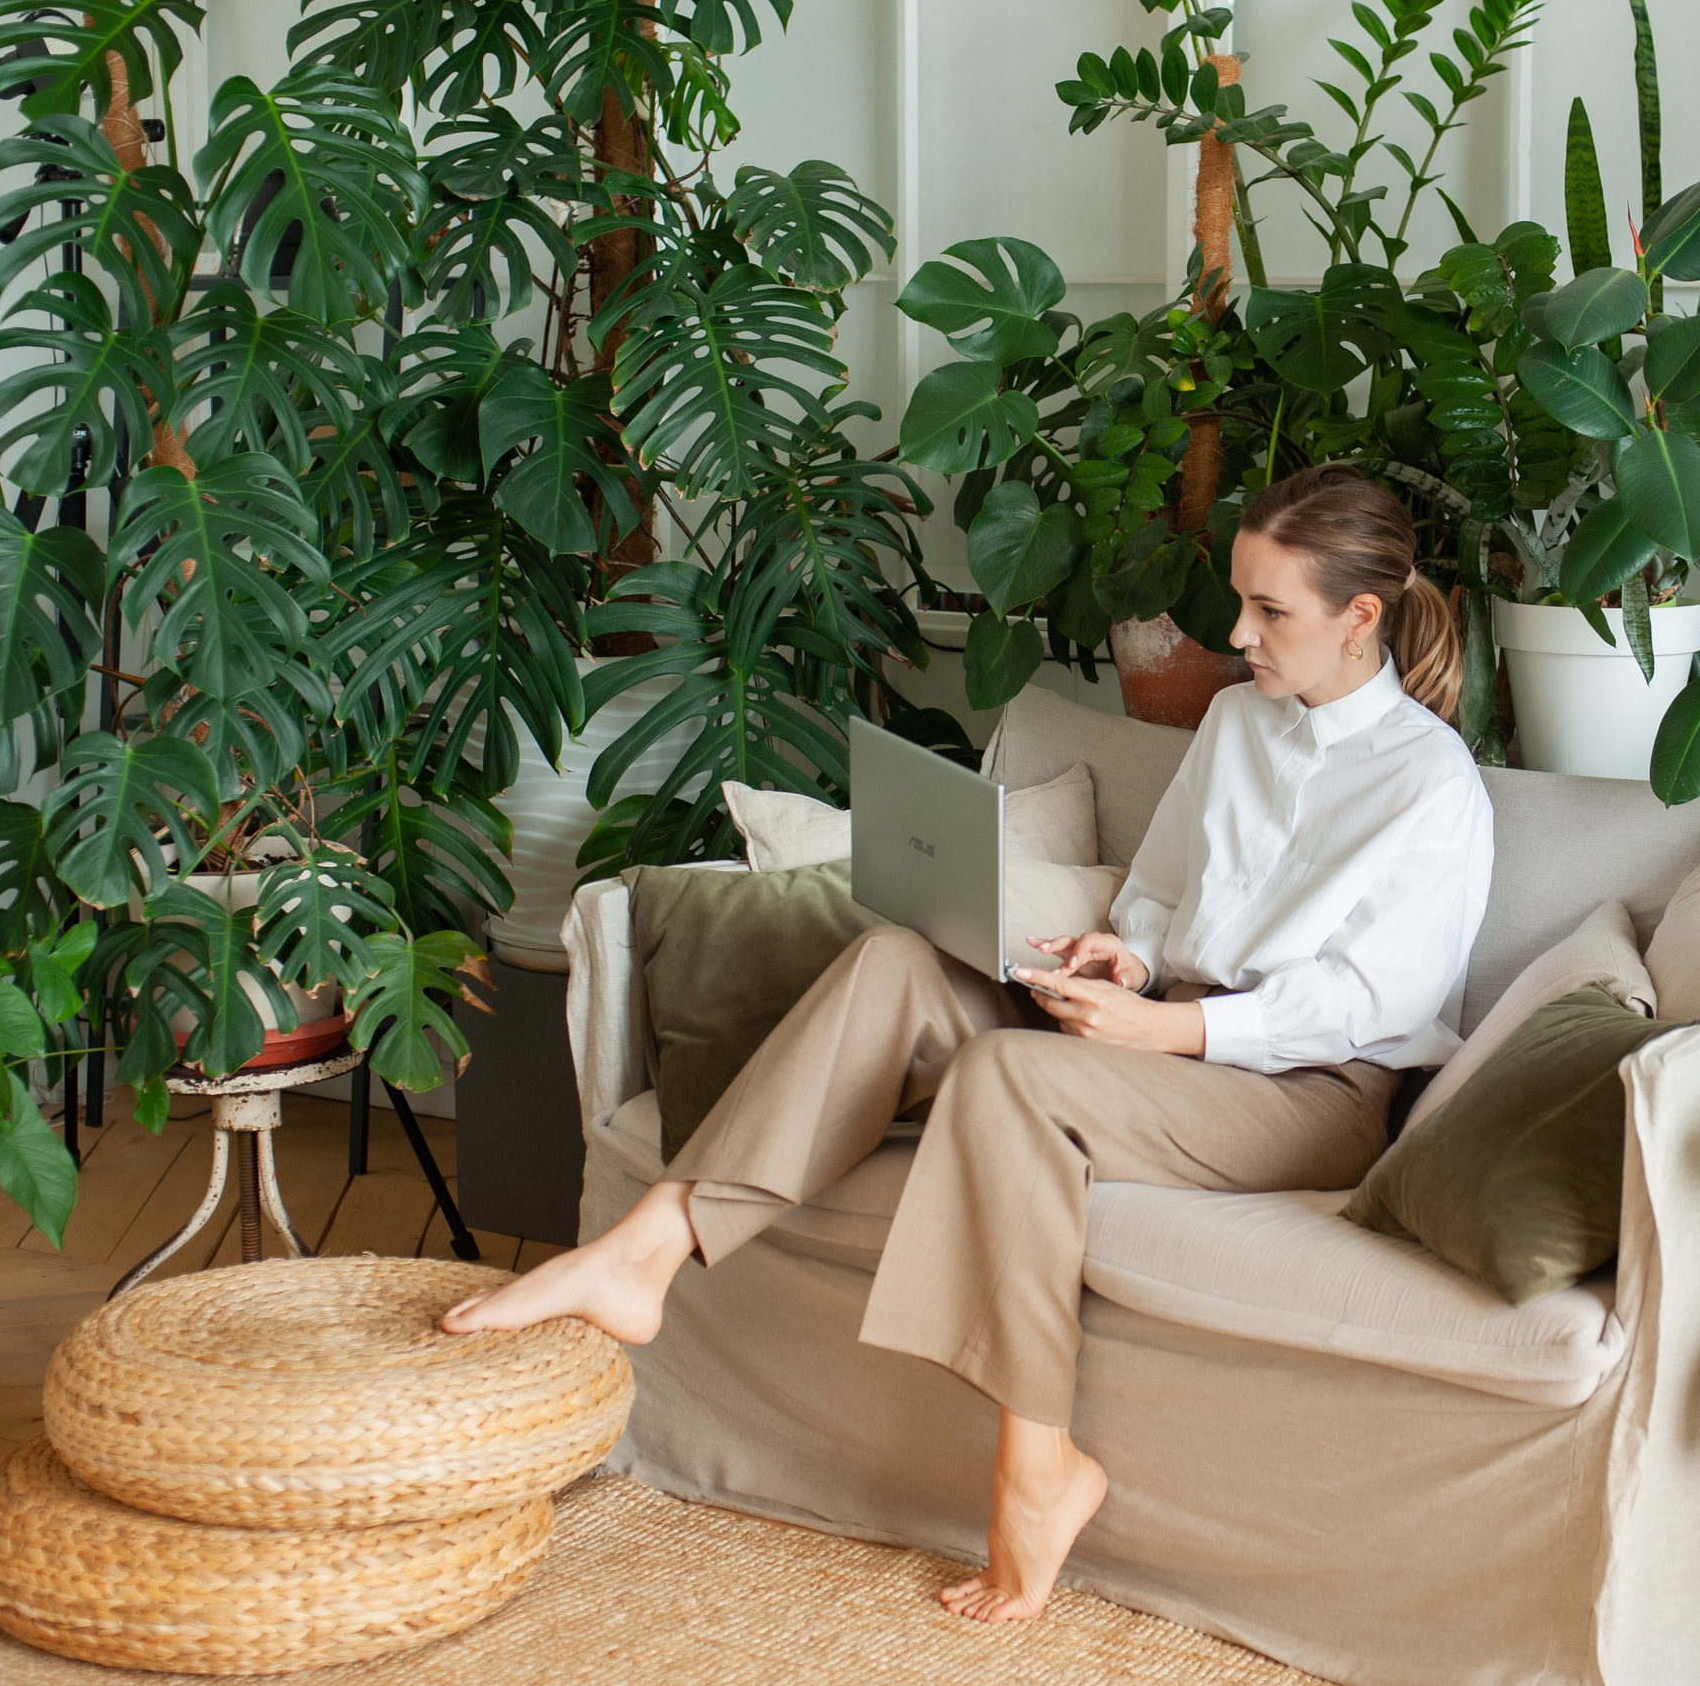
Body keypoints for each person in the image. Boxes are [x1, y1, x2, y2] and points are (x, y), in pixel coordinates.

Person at [443, 463, 1495, 1625]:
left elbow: (1372, 999)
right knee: (899, 960)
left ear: (1360, 618)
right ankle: (649, 1246)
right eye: (1239, 599)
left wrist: (1175, 1024)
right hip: (1168, 1019)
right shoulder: (1240, 719)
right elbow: (1162, 893)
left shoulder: (1430, 783)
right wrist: (1126, 960)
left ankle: (1042, 1468)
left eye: (1269, 611)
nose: (1236, 631)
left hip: (1306, 1085)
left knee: (1005, 1074)